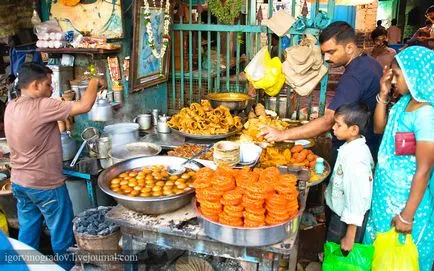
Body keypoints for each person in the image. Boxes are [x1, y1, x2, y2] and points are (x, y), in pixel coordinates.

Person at [4, 63, 106, 270]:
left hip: (20, 183)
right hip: (46, 185)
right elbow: (85, 106)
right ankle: (66, 268)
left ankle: (22, 267)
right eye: (48, 85)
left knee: (28, 230)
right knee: (62, 234)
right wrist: (95, 81)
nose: (51, 89)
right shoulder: (42, 106)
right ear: (34, 85)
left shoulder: (12, 106)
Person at [259, 21, 383, 165]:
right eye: (324, 53)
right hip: (368, 143)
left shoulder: (353, 76)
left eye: (331, 52)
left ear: (349, 48)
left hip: (353, 152)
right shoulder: (370, 63)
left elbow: (329, 120)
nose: (327, 58)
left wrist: (282, 134)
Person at [363, 46, 434, 271]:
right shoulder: (405, 102)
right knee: (381, 255)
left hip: (404, 202)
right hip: (386, 196)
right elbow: (378, 128)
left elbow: (423, 170)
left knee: (400, 259)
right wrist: (383, 94)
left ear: (414, 75)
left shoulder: (425, 114)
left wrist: (407, 216)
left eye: (396, 75)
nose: (393, 80)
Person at [325, 103, 374, 252]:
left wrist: (350, 236)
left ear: (354, 130)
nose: (333, 128)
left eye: (338, 125)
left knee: (339, 251)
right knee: (332, 246)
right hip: (340, 211)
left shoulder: (356, 160)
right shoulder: (350, 147)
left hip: (346, 221)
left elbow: (357, 197)